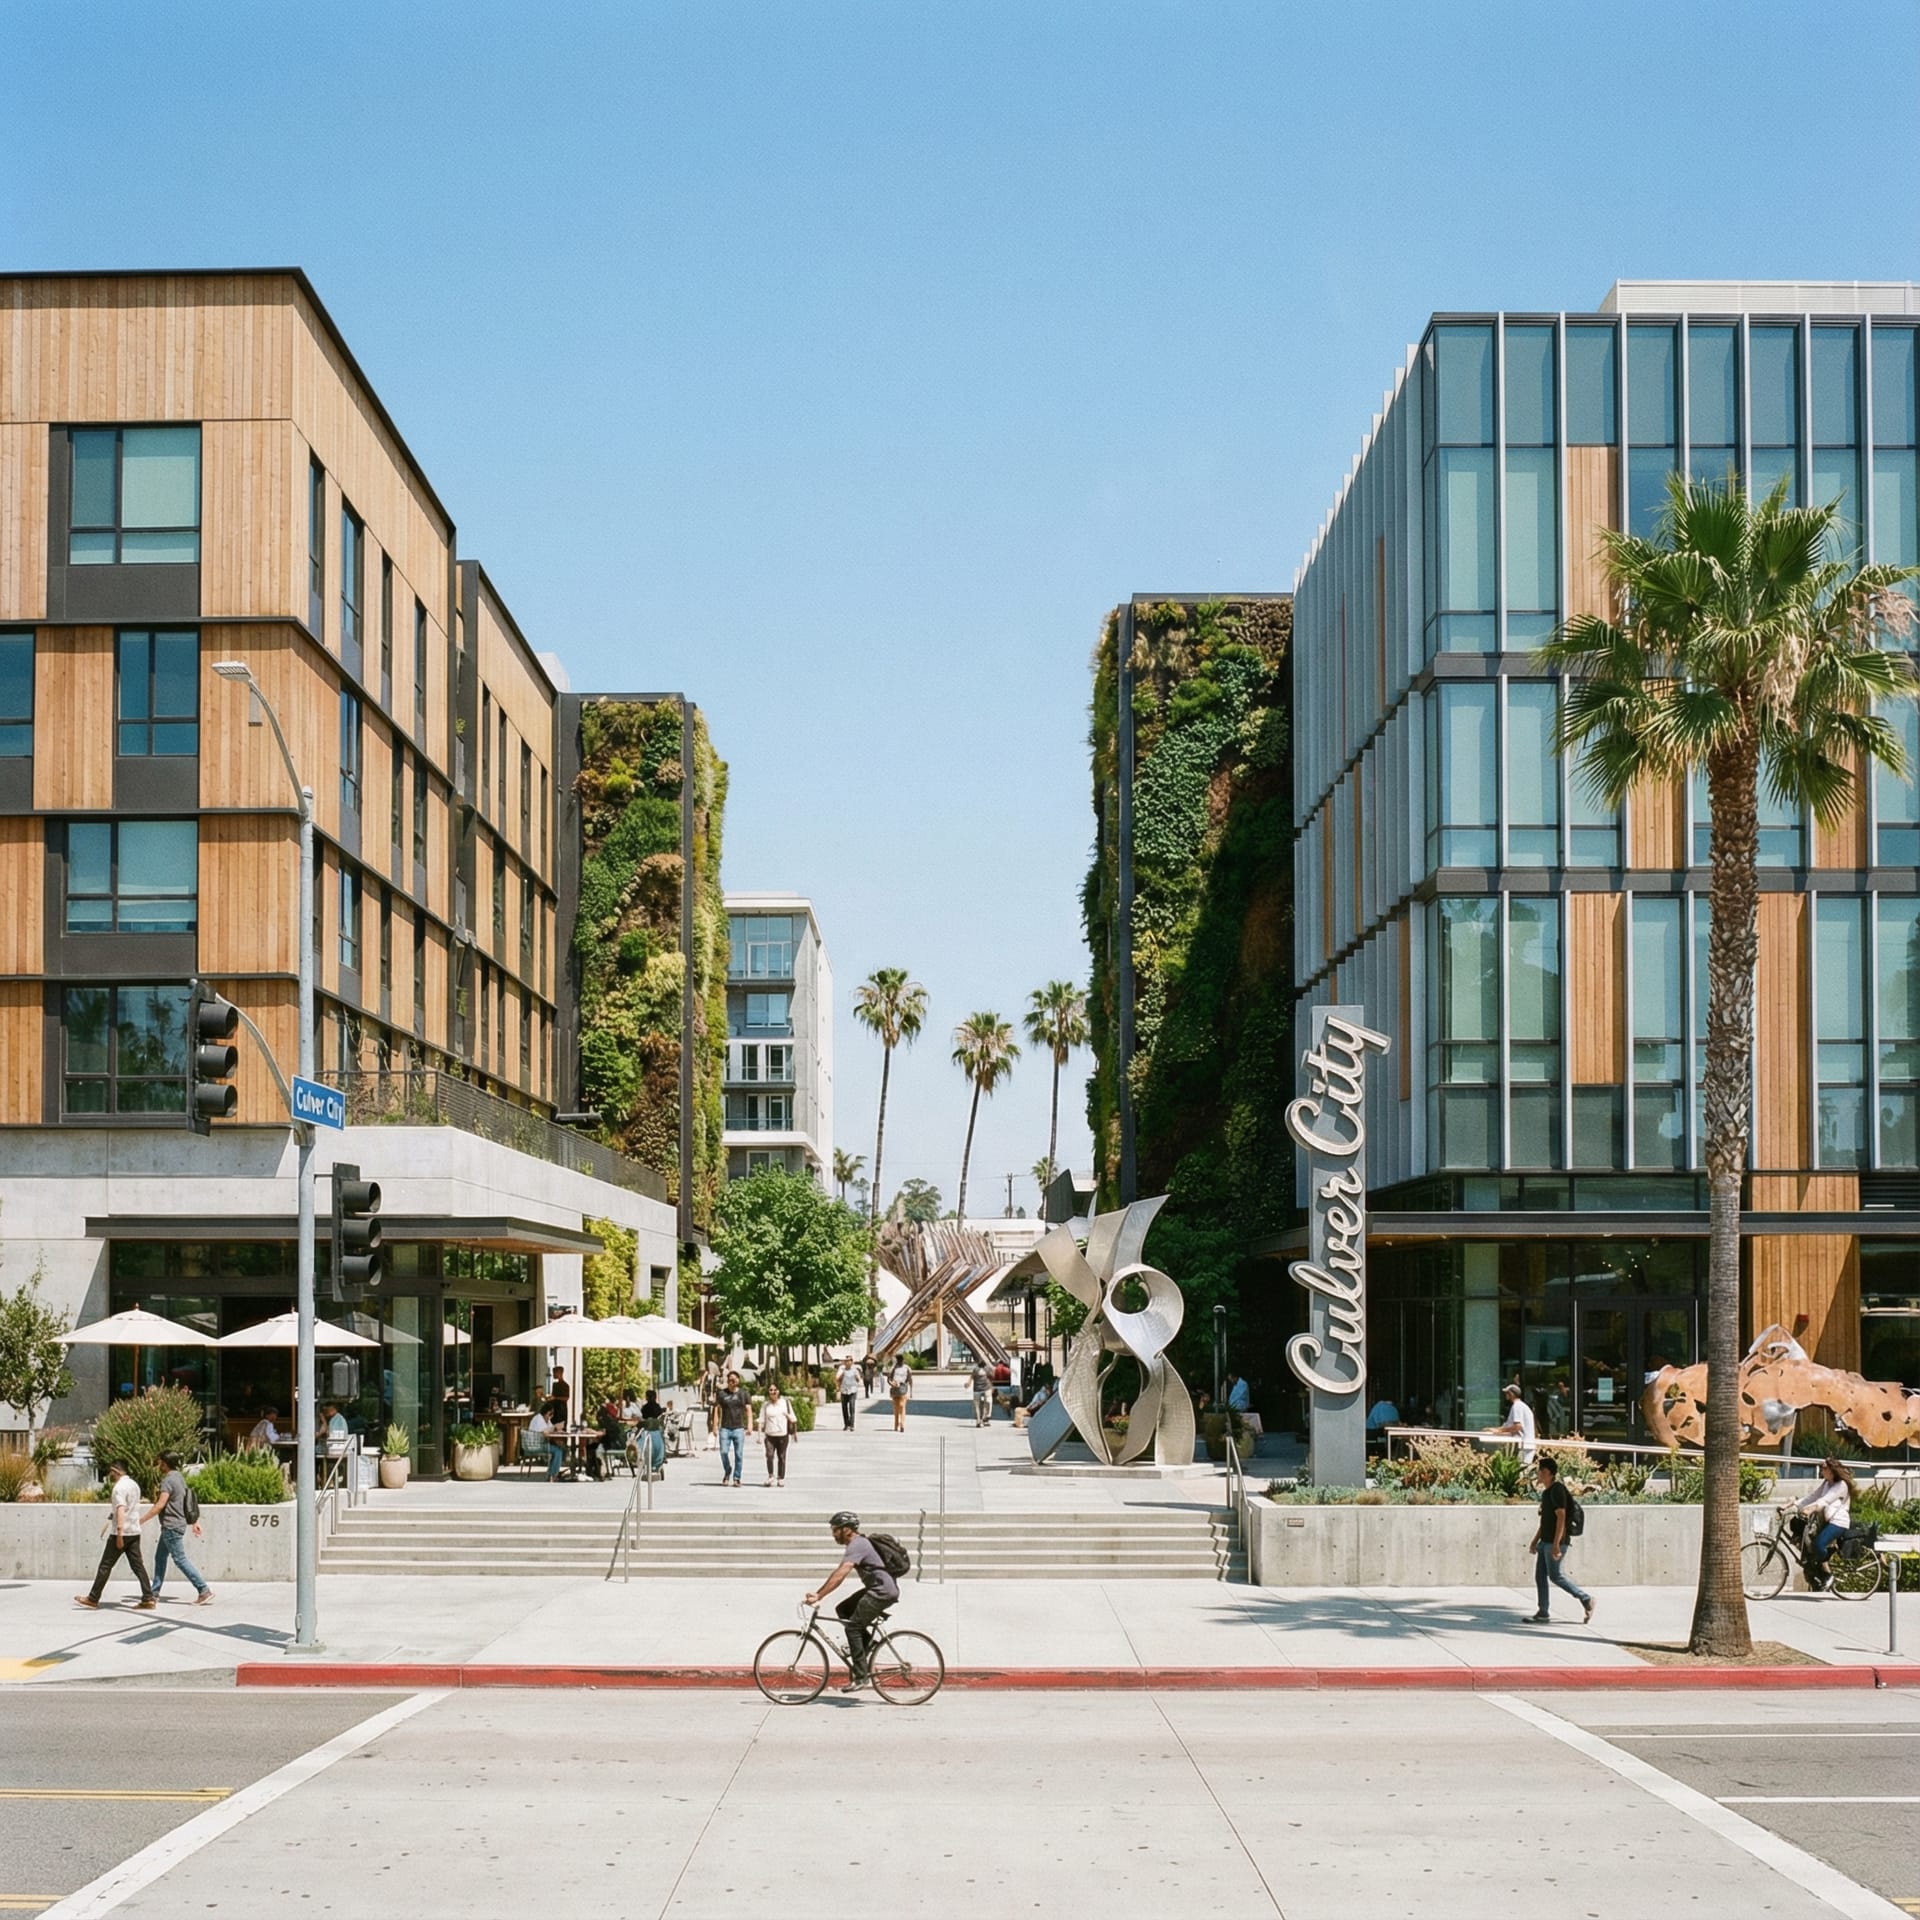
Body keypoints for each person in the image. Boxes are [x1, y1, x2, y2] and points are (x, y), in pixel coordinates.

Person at [805, 1510, 899, 1693]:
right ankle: (867, 1644)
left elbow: (841, 1573)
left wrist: (819, 1595)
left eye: (835, 1530)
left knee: (852, 1628)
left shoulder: (857, 1545)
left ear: (846, 1530)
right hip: (878, 1588)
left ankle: (861, 1677)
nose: (833, 1534)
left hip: (881, 1592)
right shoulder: (858, 1543)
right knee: (844, 1609)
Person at [75, 1459, 156, 1610]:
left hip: (122, 1532)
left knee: (105, 1565)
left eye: (111, 1471)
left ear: (116, 1471)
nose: (110, 1474)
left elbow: (121, 1509)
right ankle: (148, 1597)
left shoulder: (119, 1488)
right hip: (134, 1530)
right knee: (138, 1566)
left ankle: (93, 1598)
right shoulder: (134, 1485)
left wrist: (119, 1533)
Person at [1524, 1455, 1593, 1625]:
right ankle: (1543, 1612)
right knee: (1540, 1577)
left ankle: (1586, 1599)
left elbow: (1561, 1516)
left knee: (1555, 1576)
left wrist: (1556, 1544)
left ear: (1547, 1472)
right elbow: (1545, 1521)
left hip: (1555, 1542)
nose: (1538, 1474)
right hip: (1545, 1542)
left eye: (1540, 1471)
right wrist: (1534, 1541)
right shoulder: (1547, 1492)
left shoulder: (1557, 1490)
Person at [144, 1451, 213, 1606]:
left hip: (171, 1525)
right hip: (176, 1524)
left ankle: (203, 1589)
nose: (159, 1465)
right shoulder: (180, 1477)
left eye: (160, 1462)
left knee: (180, 1559)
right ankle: (154, 1592)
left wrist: (141, 1520)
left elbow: (160, 1505)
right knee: (160, 1557)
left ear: (165, 1463)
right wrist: (194, 1521)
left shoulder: (168, 1480)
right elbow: (188, 1500)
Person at [1797, 1456, 1855, 1587]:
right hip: (1828, 1520)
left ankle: (1828, 1574)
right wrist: (1794, 1505)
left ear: (1831, 1470)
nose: (1821, 1471)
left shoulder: (1841, 1485)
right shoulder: (1826, 1483)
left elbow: (1825, 1501)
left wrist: (1811, 1509)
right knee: (1809, 1544)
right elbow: (1813, 1497)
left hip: (1839, 1522)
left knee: (1818, 1545)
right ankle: (1820, 1568)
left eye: (1824, 1469)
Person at [1485, 1383, 1538, 1467]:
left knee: (1520, 1474)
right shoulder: (1521, 1406)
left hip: (1524, 1446)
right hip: (1525, 1445)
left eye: (1507, 1393)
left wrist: (1499, 1431)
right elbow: (1509, 1426)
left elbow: (1518, 1426)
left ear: (1511, 1394)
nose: (1506, 1395)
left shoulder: (1517, 1406)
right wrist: (1495, 1429)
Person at [715, 1370, 752, 1487]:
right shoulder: (721, 1394)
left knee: (739, 1454)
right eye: (730, 1380)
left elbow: (749, 1410)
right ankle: (727, 1470)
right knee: (723, 1452)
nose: (732, 1382)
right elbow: (716, 1410)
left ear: (738, 1381)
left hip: (738, 1428)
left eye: (734, 1380)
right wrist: (714, 1426)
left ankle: (737, 1478)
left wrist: (750, 1425)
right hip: (725, 1428)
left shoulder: (743, 1393)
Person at [761, 1382, 796, 1487]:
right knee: (769, 1456)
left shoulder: (785, 1403)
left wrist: (787, 1416)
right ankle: (771, 1476)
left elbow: (793, 1418)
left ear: (778, 1391)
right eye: (771, 1390)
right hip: (770, 1435)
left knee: (781, 1456)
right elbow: (761, 1420)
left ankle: (781, 1477)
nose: (773, 1392)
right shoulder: (765, 1405)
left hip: (782, 1435)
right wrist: (759, 1435)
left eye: (775, 1390)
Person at [639, 1388, 667, 1477]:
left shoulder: (645, 1408)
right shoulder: (657, 1407)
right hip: (657, 1430)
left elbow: (642, 1418)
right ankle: (663, 1457)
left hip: (647, 1431)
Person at [836, 1359, 862, 1432]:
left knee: (852, 1407)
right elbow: (837, 1378)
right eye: (846, 1361)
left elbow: (858, 1379)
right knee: (844, 1408)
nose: (848, 1362)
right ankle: (846, 1424)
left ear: (852, 1362)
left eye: (849, 1360)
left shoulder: (855, 1370)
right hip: (844, 1390)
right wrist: (842, 1375)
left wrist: (856, 1377)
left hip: (852, 1390)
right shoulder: (841, 1369)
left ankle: (852, 1425)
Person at [889, 1359, 912, 1432]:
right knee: (899, 1407)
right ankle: (898, 1424)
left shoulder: (906, 1368)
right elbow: (889, 1379)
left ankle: (900, 1424)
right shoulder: (894, 1368)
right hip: (898, 1389)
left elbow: (910, 1378)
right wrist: (892, 1383)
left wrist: (911, 1390)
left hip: (901, 1388)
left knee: (900, 1406)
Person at [970, 1360, 994, 1427]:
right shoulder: (976, 1369)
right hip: (978, 1389)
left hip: (985, 1388)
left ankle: (984, 1418)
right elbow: (972, 1376)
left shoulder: (987, 1369)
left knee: (986, 1402)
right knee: (980, 1404)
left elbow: (992, 1376)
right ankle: (980, 1420)